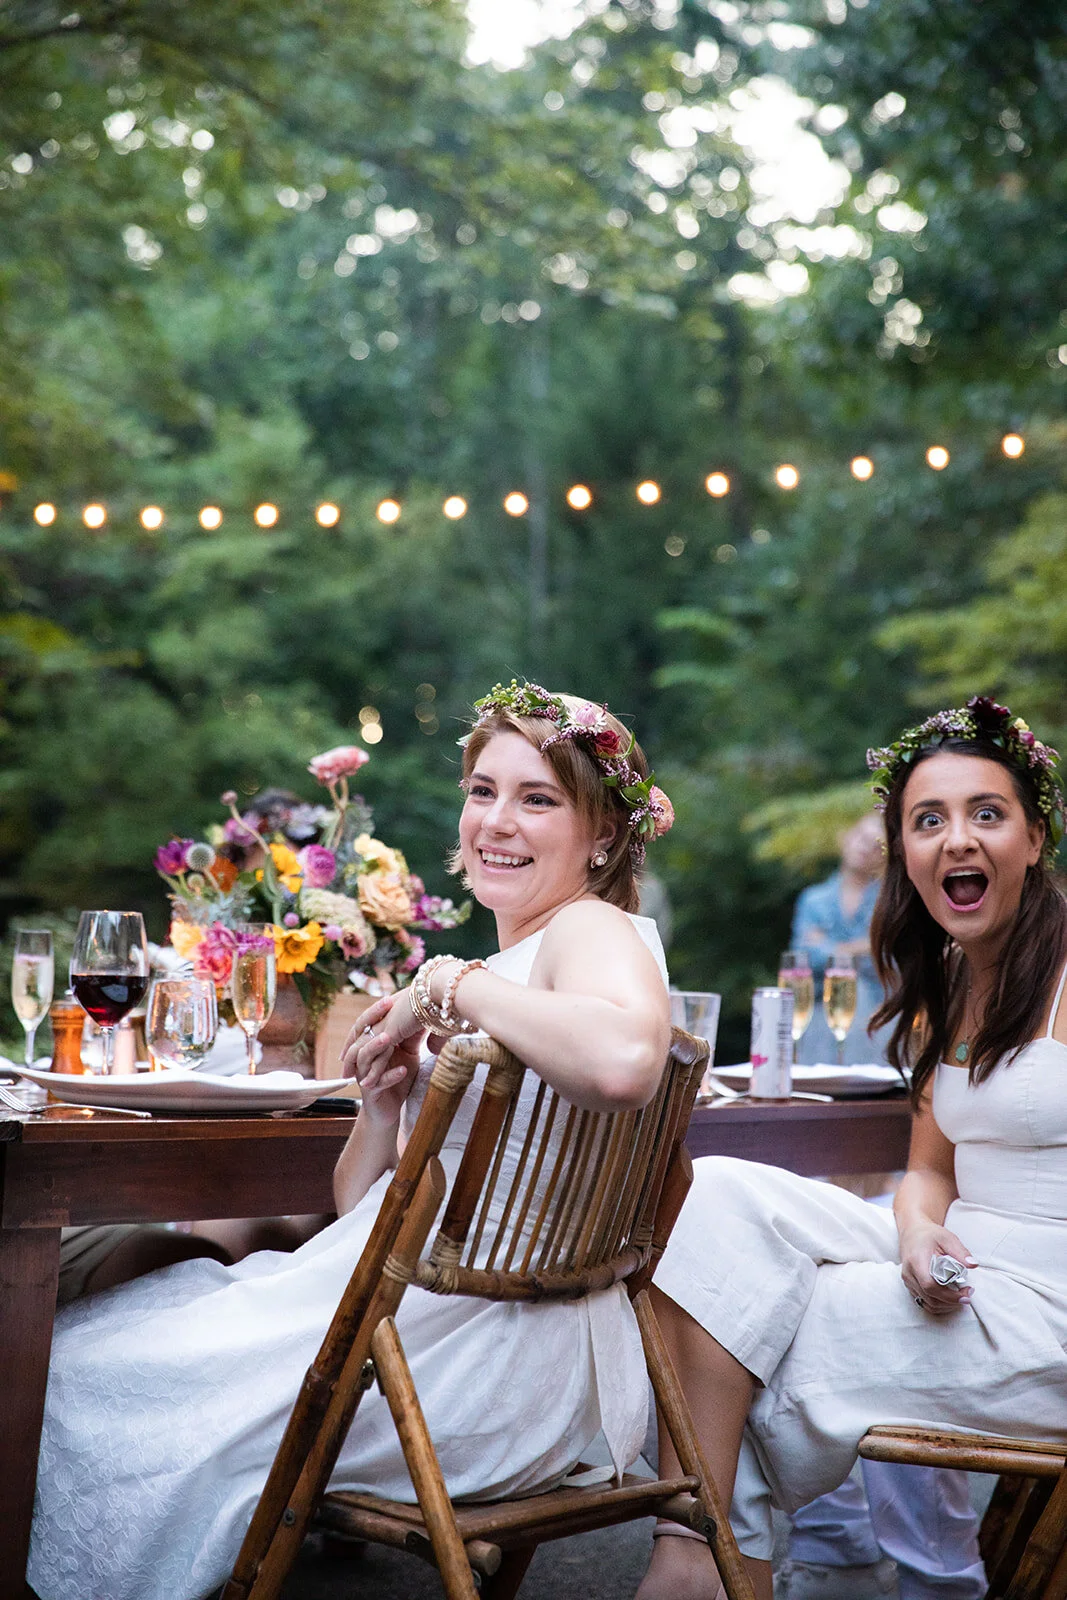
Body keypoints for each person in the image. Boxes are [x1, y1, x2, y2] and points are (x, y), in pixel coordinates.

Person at [29, 681, 674, 1600]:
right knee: (103, 1339)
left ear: (603, 837)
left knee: (69, 1377)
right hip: (422, 1331)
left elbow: (624, 1063)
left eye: (538, 799)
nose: (497, 819)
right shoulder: (519, 970)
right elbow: (361, 1214)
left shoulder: (588, 927)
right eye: (482, 790)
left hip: (476, 1370)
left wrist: (445, 981)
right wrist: (384, 1103)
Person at [638, 695, 1067, 1600]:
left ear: (1034, 839)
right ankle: (710, 1555)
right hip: (968, 1262)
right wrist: (915, 1235)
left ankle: (703, 1559)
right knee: (717, 1195)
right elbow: (926, 1170)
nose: (956, 838)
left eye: (985, 814)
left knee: (757, 1331)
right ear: (902, 854)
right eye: (928, 820)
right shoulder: (956, 976)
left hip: (1048, 1309)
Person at [791, 810, 886, 1065]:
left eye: (876, 845)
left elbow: (887, 957)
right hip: (818, 1013)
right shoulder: (814, 898)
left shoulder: (888, 904)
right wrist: (861, 947)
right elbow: (803, 960)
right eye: (861, 837)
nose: (866, 847)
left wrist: (828, 945)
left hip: (874, 1016)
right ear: (845, 838)